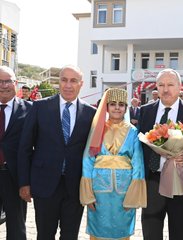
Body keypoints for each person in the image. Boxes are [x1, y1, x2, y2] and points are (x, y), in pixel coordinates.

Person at [18, 65, 96, 240]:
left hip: (75, 187)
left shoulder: (91, 114)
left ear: (81, 84)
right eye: (64, 80)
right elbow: (25, 148)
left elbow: (94, 152)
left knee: (70, 235)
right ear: (58, 82)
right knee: (45, 234)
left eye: (73, 81)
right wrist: (24, 183)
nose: (68, 85)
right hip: (44, 184)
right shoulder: (39, 107)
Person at [138, 68, 183, 240]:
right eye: (161, 85)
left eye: (170, 85)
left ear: (180, 87)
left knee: (180, 232)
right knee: (151, 233)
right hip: (152, 182)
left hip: (179, 182)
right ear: (156, 87)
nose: (166, 89)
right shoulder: (145, 111)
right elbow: (140, 146)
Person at [80, 88, 146, 239]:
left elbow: (138, 163)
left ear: (126, 108)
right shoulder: (97, 129)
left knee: (121, 230)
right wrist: (88, 194)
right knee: (98, 230)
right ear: (107, 107)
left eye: (121, 104)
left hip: (125, 191)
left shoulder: (133, 131)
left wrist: (133, 196)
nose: (117, 107)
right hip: (99, 190)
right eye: (113, 104)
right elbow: (88, 160)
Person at [0, 66, 32, 239]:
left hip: (16, 178)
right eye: (0, 81)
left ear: (16, 83)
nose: (4, 85)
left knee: (16, 227)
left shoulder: (31, 110)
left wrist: (28, 181)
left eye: (8, 81)